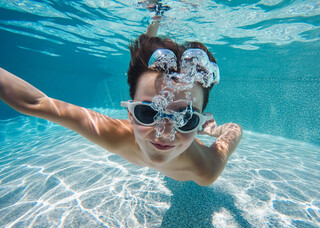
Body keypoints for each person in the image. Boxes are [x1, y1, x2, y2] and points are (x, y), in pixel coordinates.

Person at [0, 20, 242, 186]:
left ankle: (204, 125)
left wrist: (218, 131)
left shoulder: (205, 169)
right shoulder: (114, 134)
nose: (165, 133)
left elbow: (235, 131)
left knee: (211, 128)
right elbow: (36, 102)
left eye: (186, 118)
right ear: (129, 112)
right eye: (148, 113)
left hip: (201, 136)